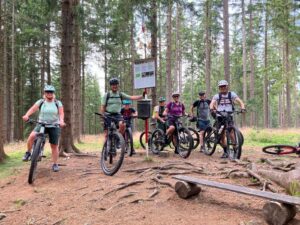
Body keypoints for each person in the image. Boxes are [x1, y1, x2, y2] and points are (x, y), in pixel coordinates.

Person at [22, 85, 66, 172]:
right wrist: (27, 115)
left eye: (51, 92)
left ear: (53, 93)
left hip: (54, 125)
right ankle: (28, 153)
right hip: (41, 124)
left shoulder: (57, 103)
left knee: (54, 145)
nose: (49, 94)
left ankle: (55, 164)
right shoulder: (41, 102)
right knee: (31, 136)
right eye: (47, 92)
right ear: (44, 93)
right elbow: (33, 109)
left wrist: (61, 121)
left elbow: (61, 113)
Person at [210, 80, 246, 158]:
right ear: (219, 88)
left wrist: (242, 107)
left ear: (227, 87)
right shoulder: (217, 96)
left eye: (224, 86)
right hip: (220, 116)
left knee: (231, 132)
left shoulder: (231, 94)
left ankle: (235, 148)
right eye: (221, 87)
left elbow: (239, 101)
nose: (223, 88)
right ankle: (225, 151)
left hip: (229, 115)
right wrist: (211, 109)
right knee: (221, 135)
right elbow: (212, 103)